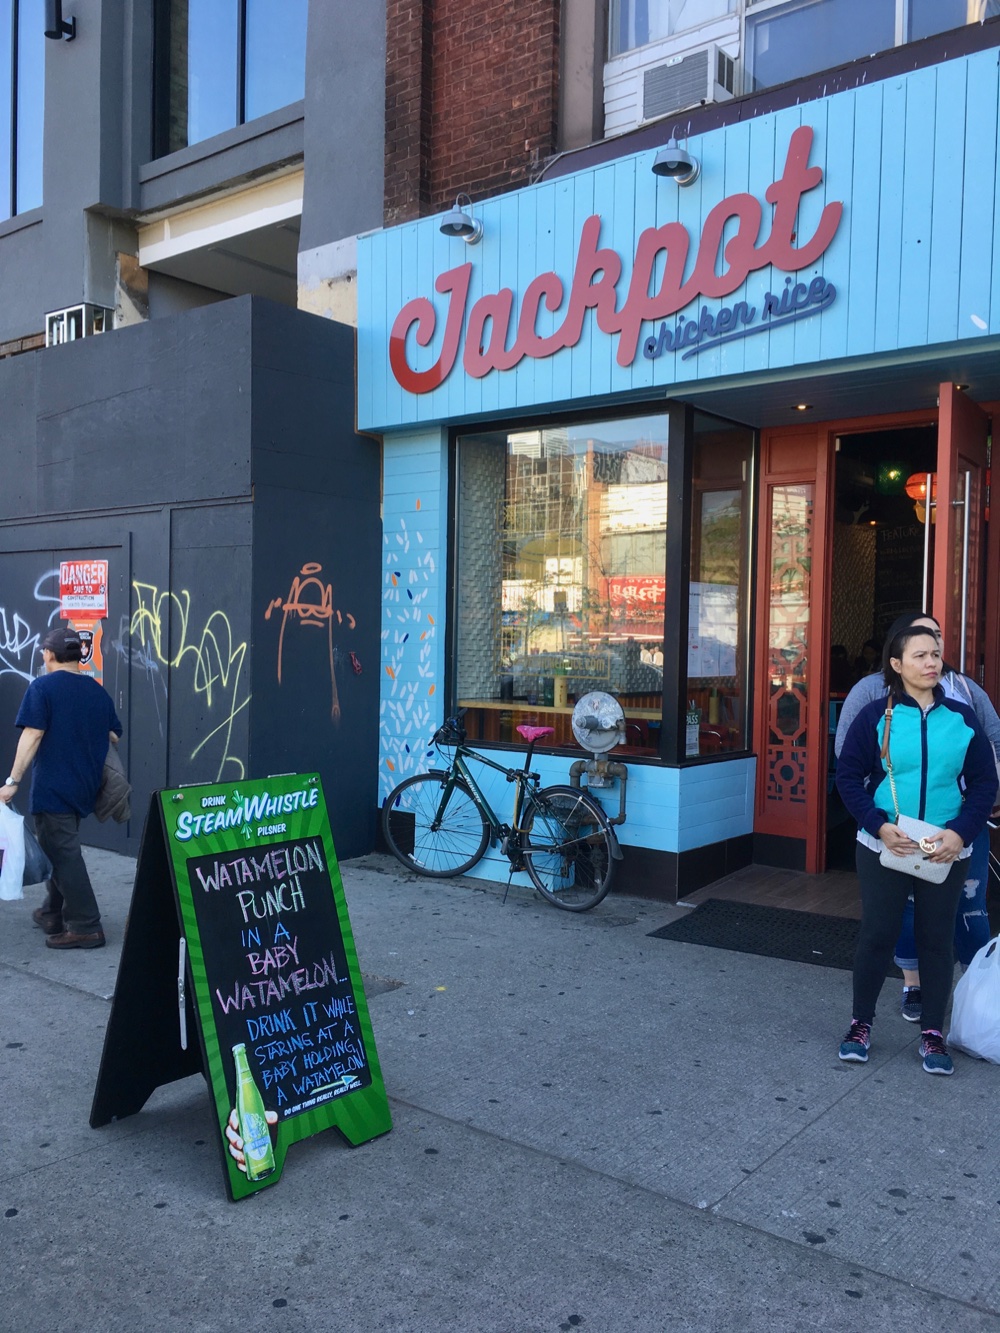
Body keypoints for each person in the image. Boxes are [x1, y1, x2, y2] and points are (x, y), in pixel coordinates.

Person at [835, 624, 997, 1074]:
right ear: (896, 665)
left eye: (936, 655)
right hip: (885, 842)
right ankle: (859, 1025)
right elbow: (847, 778)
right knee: (878, 935)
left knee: (935, 939)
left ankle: (932, 1034)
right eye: (921, 655)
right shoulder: (874, 716)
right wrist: (879, 826)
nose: (931, 663)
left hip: (945, 846)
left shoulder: (962, 718)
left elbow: (985, 783)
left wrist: (961, 833)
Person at [0, 626, 122, 949]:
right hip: (83, 787)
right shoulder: (97, 691)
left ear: (50, 655)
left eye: (43, 651)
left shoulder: (42, 688)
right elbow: (114, 735)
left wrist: (12, 782)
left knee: (62, 852)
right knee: (57, 848)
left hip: (53, 788)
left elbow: (32, 735)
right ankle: (52, 911)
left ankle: (86, 924)